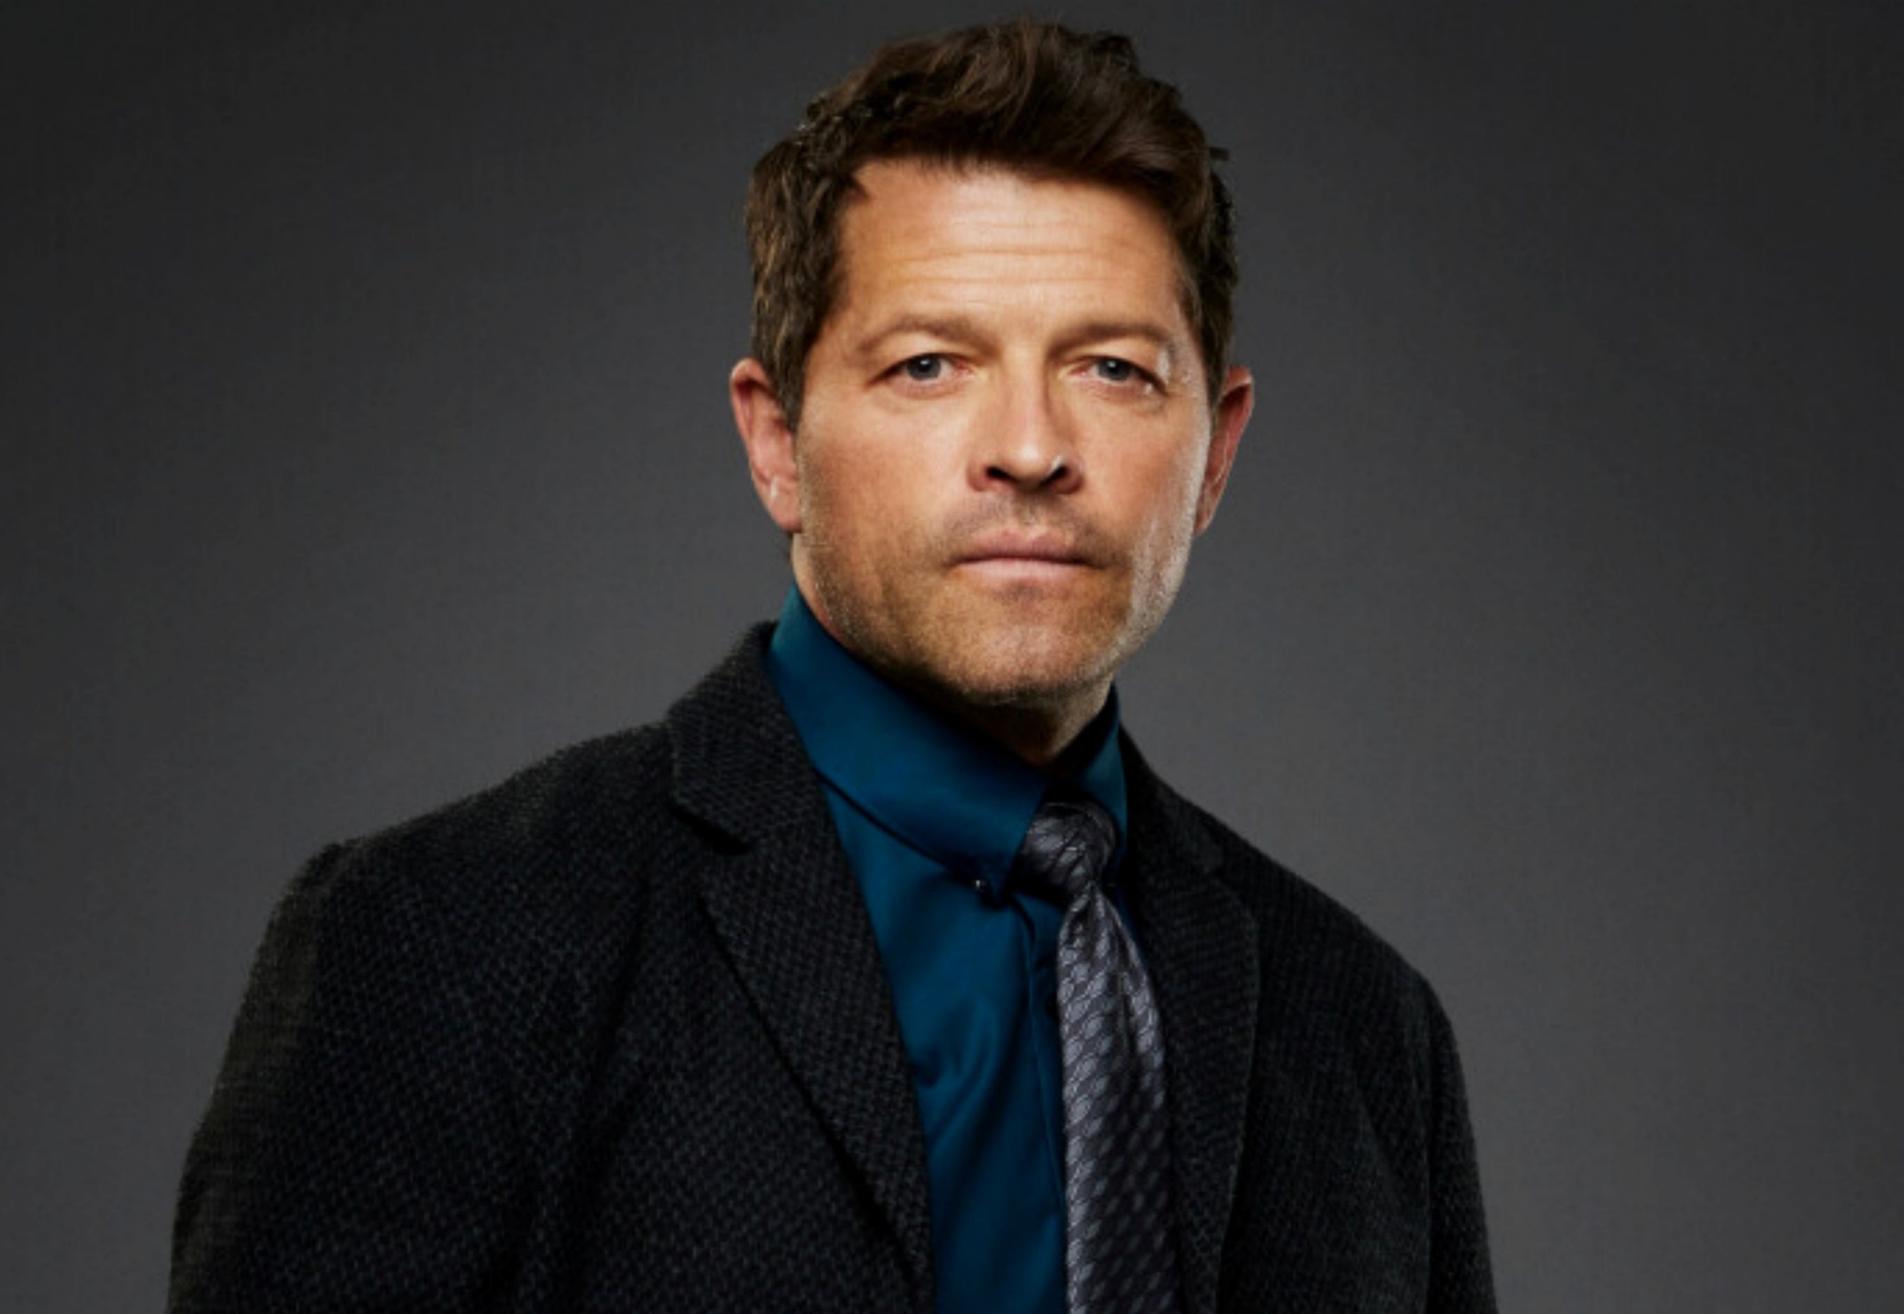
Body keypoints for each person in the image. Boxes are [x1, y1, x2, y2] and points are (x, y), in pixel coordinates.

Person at [170, 20, 1495, 1314]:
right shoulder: (445, 941)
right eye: (928, 364)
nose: (1030, 447)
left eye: (1112, 368)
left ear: (1216, 451)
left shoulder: (1370, 1032)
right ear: (777, 443)